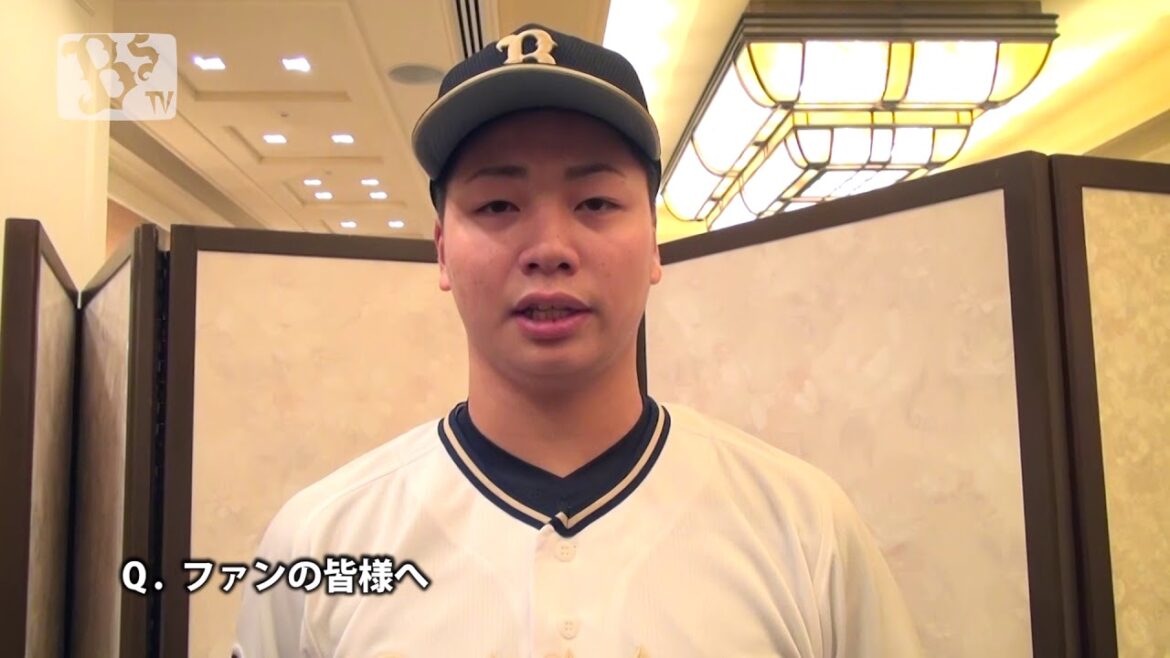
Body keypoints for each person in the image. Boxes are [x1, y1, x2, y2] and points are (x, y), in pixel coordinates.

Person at [232, 23, 923, 658]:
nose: (550, 248)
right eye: (497, 205)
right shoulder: (318, 544)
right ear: (442, 250)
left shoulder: (807, 531)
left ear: (654, 241)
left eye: (595, 202)